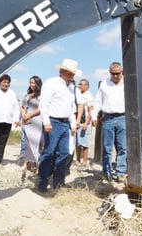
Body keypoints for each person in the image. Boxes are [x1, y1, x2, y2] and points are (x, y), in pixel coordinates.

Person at [38, 59, 81, 193]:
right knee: (49, 152)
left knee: (64, 153)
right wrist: (46, 122)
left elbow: (71, 107)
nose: (71, 76)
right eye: (69, 73)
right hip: (53, 122)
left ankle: (58, 182)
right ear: (61, 71)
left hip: (64, 124)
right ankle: (42, 182)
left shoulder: (71, 88)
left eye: (73, 74)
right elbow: (44, 104)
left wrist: (73, 125)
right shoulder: (51, 83)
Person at [92, 61, 127, 183]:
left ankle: (121, 172)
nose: (116, 76)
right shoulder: (104, 84)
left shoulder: (127, 83)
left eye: (118, 73)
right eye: (113, 73)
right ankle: (106, 172)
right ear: (110, 72)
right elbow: (98, 101)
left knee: (123, 147)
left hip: (123, 117)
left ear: (122, 72)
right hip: (108, 118)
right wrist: (94, 116)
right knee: (107, 148)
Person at [20, 76, 43, 173]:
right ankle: (27, 162)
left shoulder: (41, 96)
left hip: (36, 120)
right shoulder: (26, 95)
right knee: (27, 142)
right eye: (30, 82)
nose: (32, 84)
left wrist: (29, 115)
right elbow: (21, 106)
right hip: (26, 121)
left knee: (37, 143)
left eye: (34, 83)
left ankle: (36, 164)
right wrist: (24, 115)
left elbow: (40, 109)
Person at [75, 79, 95, 170]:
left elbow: (91, 111)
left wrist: (86, 123)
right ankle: (78, 160)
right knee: (78, 143)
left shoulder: (89, 96)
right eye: (79, 84)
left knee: (85, 143)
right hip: (78, 122)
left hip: (85, 122)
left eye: (81, 84)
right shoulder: (79, 95)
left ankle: (85, 161)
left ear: (86, 86)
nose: (79, 86)